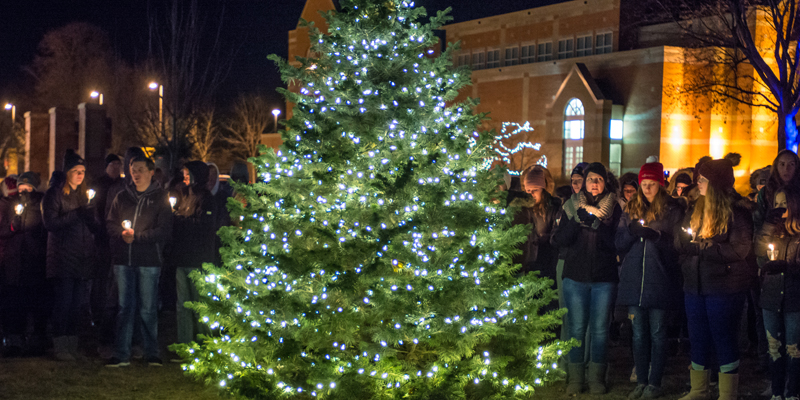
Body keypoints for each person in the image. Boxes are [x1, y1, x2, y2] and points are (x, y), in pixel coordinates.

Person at [676, 159, 754, 400]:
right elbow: (680, 239)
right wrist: (687, 245)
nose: (697, 183)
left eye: (702, 179)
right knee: (697, 336)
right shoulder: (695, 208)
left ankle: (727, 394)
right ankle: (699, 390)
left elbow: (740, 249)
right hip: (695, 285)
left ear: (715, 183)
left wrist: (708, 249)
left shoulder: (736, 213)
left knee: (723, 336)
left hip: (724, 286)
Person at [552, 162, 622, 395]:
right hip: (575, 277)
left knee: (600, 330)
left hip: (603, 278)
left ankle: (596, 379)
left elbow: (615, 243)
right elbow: (560, 239)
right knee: (576, 329)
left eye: (599, 179)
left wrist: (597, 224)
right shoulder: (571, 205)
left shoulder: (614, 208)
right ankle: (575, 378)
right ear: (584, 182)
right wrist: (576, 222)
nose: (594, 183)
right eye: (591, 179)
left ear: (605, 182)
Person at [616, 163, 684, 399]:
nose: (646, 188)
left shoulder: (671, 210)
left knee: (657, 333)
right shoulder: (631, 209)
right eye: (643, 184)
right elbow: (619, 243)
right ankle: (641, 380)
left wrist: (657, 236)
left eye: (651, 184)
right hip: (635, 281)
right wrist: (632, 232)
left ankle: (655, 382)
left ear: (660, 185)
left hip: (660, 279)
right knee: (638, 334)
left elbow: (678, 244)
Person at [105, 155, 173, 367]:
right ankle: (122, 353)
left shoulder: (160, 197)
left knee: (148, 308)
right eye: (133, 169)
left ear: (151, 172)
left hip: (149, 260)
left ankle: (151, 352)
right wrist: (121, 235)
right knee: (125, 307)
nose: (136, 173)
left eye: (140, 169)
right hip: (124, 260)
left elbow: (164, 230)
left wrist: (139, 237)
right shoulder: (122, 196)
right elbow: (110, 223)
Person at [42, 150, 99, 361]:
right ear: (67, 173)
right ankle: (60, 345)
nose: (80, 175)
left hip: (82, 258)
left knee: (77, 305)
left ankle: (72, 345)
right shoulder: (54, 194)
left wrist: (91, 216)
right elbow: (51, 224)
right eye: (76, 171)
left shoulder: (83, 195)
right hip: (62, 258)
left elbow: (93, 226)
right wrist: (78, 214)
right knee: (63, 303)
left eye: (83, 171)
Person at [754, 185, 800, 400]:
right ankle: (776, 391)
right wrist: (767, 225)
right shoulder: (771, 229)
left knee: (793, 347)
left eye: (784, 204)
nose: (780, 209)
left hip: (794, 298)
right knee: (774, 347)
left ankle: (792, 392)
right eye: (777, 204)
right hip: (771, 297)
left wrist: (787, 268)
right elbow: (759, 253)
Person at [0, 172, 48, 357]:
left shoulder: (41, 204)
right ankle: (14, 340)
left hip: (34, 262)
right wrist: (13, 225)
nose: (24, 191)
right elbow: (3, 230)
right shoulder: (9, 204)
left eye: (28, 188)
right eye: (21, 188)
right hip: (14, 263)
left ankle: (37, 340)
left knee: (36, 303)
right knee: (14, 304)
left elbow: (46, 230)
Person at [171, 161, 216, 347]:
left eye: (188, 173)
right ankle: (185, 344)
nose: (185, 176)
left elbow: (203, 227)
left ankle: (205, 343)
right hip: (182, 258)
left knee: (199, 304)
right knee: (183, 305)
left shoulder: (207, 199)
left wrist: (180, 220)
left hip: (199, 260)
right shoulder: (185, 196)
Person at [511, 166, 561, 311]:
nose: (531, 194)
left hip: (547, 266)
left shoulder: (553, 208)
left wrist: (546, 238)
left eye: (535, 190)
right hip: (527, 267)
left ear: (544, 189)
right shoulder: (522, 209)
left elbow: (557, 234)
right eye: (528, 191)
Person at [92, 153, 123, 357]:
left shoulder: (122, 185)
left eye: (118, 164)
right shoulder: (100, 185)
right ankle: (97, 312)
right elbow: (95, 210)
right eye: (112, 164)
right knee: (102, 279)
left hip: (116, 239)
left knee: (113, 282)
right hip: (103, 239)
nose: (115, 167)